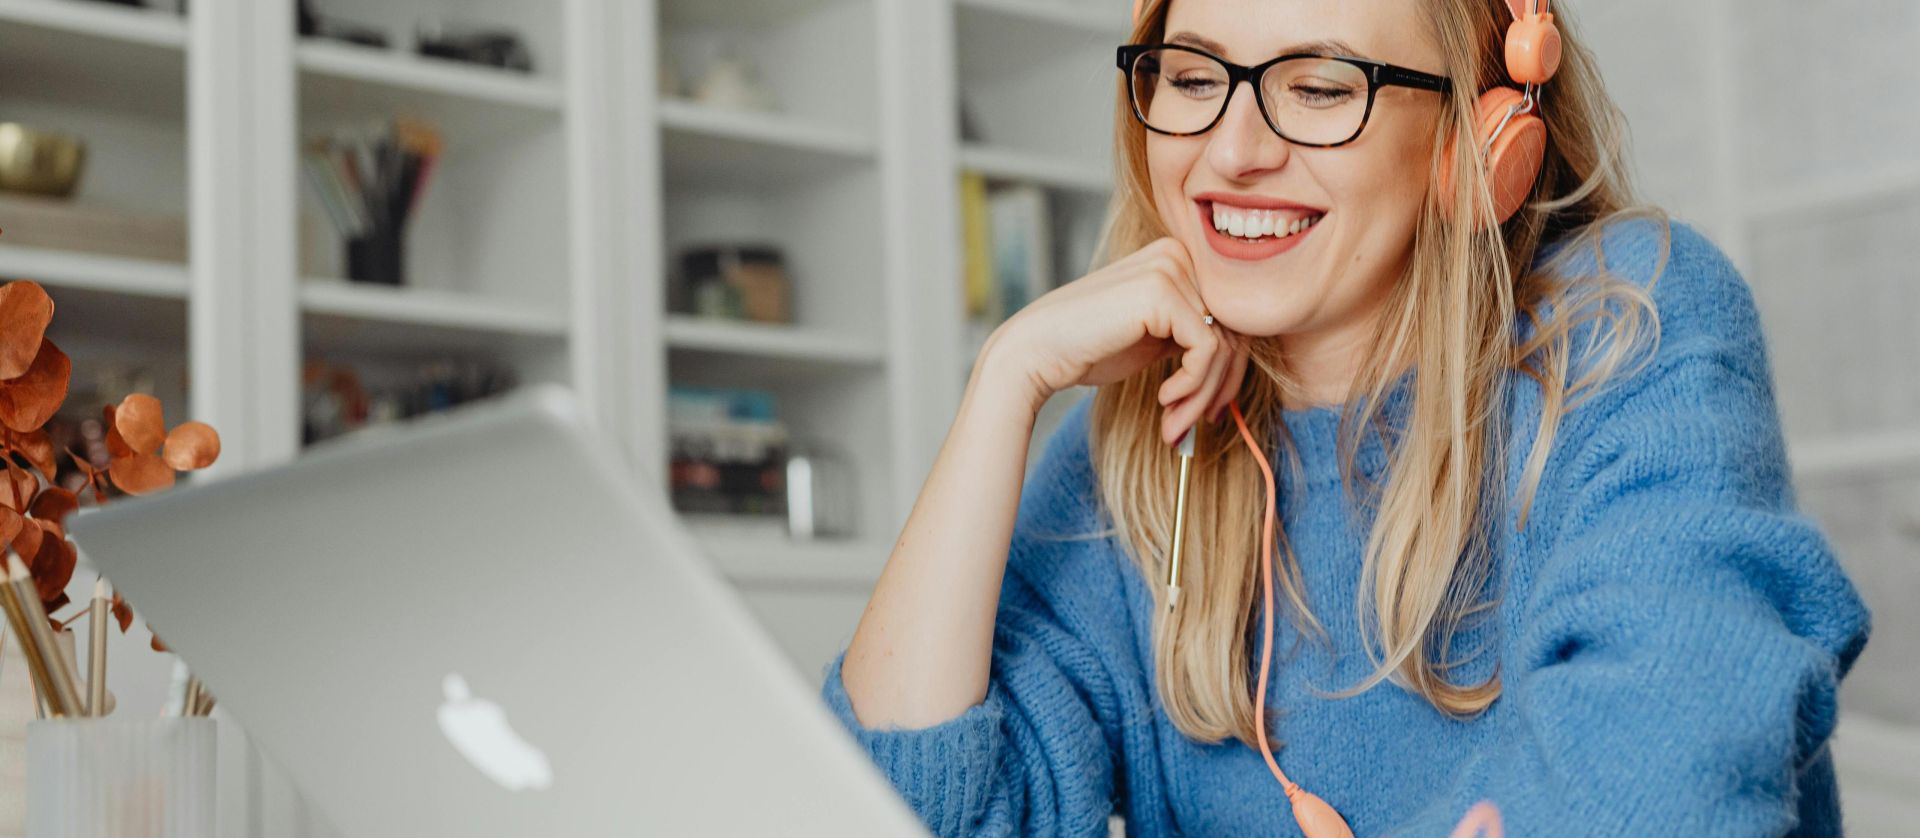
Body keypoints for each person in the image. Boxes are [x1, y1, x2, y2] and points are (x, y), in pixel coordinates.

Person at [824, 0, 1872, 834]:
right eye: (1192, 78)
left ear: (1478, 138)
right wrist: (1006, 381)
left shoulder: (1630, 323)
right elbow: (902, 810)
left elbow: (1665, 786)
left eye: (1321, 87)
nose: (1232, 150)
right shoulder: (1134, 452)